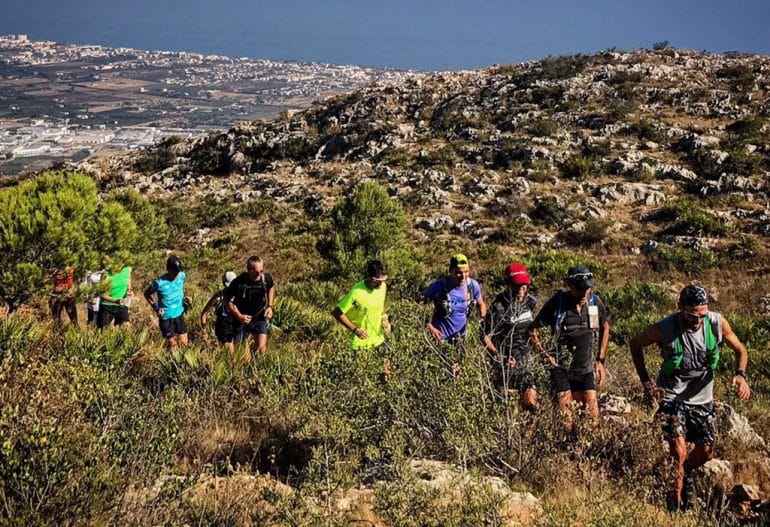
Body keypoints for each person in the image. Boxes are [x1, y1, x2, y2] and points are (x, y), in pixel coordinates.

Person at [629, 284, 751, 511]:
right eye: (691, 315)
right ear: (680, 308)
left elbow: (741, 350)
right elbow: (635, 344)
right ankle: (675, 508)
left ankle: (686, 476)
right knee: (679, 452)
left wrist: (741, 375)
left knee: (706, 451)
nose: (697, 321)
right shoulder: (665, 328)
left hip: (702, 400)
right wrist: (646, 382)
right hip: (672, 398)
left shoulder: (716, 322)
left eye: (701, 315)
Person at [528, 265, 610, 422]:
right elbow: (532, 331)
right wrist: (545, 356)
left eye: (588, 288)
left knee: (592, 421)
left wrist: (600, 360)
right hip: (561, 370)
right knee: (566, 423)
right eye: (580, 288)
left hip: (585, 369)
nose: (584, 293)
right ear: (569, 285)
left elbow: (605, 326)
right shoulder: (556, 304)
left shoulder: (594, 302)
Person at [482, 262, 539, 412]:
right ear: (508, 285)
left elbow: (532, 330)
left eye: (524, 286)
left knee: (530, 406)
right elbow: (483, 335)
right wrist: (499, 357)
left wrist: (538, 348)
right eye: (517, 286)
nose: (521, 290)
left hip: (527, 361)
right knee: (510, 412)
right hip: (506, 366)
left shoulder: (530, 302)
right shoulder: (498, 307)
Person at [423, 254, 487, 342]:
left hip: (461, 340)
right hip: (439, 339)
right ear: (450, 271)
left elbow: (481, 304)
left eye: (466, 272)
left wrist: (482, 318)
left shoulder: (472, 286)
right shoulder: (438, 285)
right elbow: (419, 305)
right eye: (458, 273)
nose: (463, 276)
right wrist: (429, 326)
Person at [224, 256, 275, 362]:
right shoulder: (239, 282)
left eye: (262, 271)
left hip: (259, 315)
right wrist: (239, 315)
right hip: (242, 318)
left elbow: (271, 287)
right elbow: (227, 300)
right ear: (249, 270)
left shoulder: (266, 278)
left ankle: (259, 370)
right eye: (257, 272)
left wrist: (270, 306)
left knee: (262, 350)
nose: (260, 274)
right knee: (244, 357)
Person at [332, 259, 391, 351]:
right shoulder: (357, 292)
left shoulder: (383, 287)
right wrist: (355, 330)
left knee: (388, 364)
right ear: (368, 276)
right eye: (377, 280)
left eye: (383, 280)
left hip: (378, 339)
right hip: (359, 344)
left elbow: (380, 305)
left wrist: (385, 319)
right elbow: (337, 313)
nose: (380, 283)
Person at [144, 255, 188, 349]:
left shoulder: (182, 276)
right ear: (170, 270)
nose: (177, 273)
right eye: (175, 271)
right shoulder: (159, 283)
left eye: (179, 271)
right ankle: (169, 362)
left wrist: (184, 298)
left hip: (179, 314)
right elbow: (146, 294)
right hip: (166, 318)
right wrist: (156, 308)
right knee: (172, 345)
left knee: (184, 343)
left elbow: (179, 289)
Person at [200, 271, 238, 353]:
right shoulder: (218, 297)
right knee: (229, 355)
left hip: (237, 329)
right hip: (222, 330)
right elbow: (204, 312)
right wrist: (204, 329)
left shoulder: (240, 296)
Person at [97, 265, 133, 329]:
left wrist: (129, 290)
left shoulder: (127, 268)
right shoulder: (106, 273)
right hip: (107, 305)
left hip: (122, 304)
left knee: (125, 327)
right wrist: (116, 301)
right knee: (104, 332)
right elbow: (102, 294)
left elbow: (129, 278)